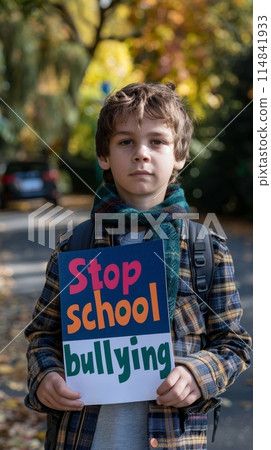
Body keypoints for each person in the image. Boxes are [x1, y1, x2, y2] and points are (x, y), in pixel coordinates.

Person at [25, 82, 251, 450]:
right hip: (82, 437)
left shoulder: (204, 248)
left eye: (157, 141)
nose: (141, 154)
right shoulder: (75, 248)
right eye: (125, 142)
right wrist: (46, 375)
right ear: (104, 156)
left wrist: (198, 373)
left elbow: (235, 344)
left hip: (173, 439)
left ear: (179, 155)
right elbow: (42, 335)